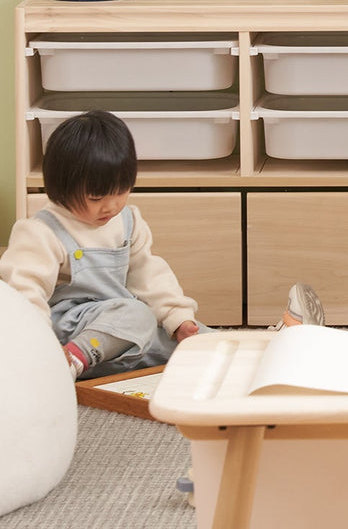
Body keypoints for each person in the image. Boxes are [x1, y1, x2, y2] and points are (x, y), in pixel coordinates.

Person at [0, 109, 323, 380]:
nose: (111, 207)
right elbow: (25, 295)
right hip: (66, 335)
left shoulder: (127, 221)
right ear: (60, 187)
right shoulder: (41, 231)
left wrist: (177, 317)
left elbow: (148, 275)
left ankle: (273, 349)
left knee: (194, 340)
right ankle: (64, 364)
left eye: (121, 191)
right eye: (96, 197)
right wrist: (38, 353)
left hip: (121, 337)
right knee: (136, 313)